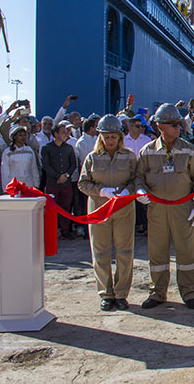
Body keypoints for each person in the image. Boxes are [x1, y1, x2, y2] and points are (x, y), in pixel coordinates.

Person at [134, 103, 194, 310]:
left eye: (179, 124)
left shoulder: (189, 150)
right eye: (173, 124)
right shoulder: (147, 152)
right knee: (157, 253)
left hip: (183, 210)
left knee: (187, 253)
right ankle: (158, 292)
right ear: (160, 126)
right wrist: (139, 191)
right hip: (156, 211)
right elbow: (139, 178)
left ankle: (190, 292)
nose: (178, 128)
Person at [78, 115, 138, 311]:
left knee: (124, 251)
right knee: (100, 251)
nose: (110, 141)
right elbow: (82, 183)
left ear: (119, 137)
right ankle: (106, 293)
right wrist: (100, 191)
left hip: (123, 209)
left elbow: (137, 179)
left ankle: (121, 294)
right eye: (106, 137)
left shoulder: (129, 157)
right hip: (99, 209)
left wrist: (129, 190)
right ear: (100, 137)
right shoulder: (92, 158)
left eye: (113, 137)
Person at [41, 121, 78, 240]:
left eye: (67, 132)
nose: (66, 134)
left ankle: (65, 231)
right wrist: (57, 176)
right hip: (52, 183)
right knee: (50, 208)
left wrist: (66, 175)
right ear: (55, 133)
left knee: (66, 207)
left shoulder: (69, 148)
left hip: (66, 183)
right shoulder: (46, 148)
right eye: (63, 132)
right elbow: (46, 165)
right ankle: (50, 232)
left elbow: (73, 164)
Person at [1, 125, 40, 189]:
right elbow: (5, 171)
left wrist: (36, 184)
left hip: (29, 184)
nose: (23, 137)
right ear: (14, 137)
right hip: (14, 185)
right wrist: (6, 188)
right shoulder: (8, 152)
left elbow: (34, 168)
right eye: (20, 135)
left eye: (24, 135)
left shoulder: (29, 150)